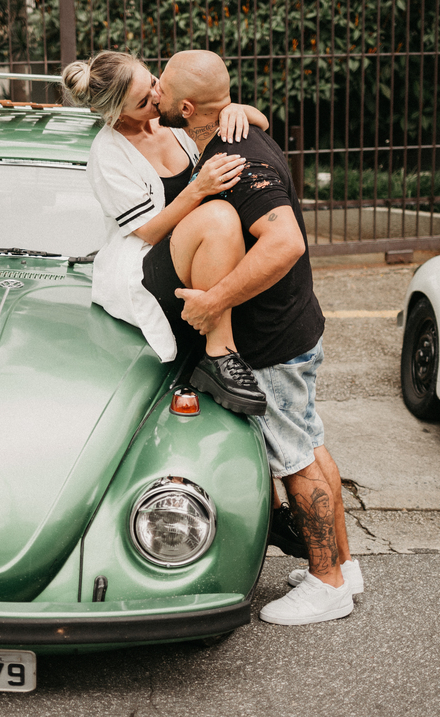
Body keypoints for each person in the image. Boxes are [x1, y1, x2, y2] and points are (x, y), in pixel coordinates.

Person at [155, 50, 364, 625]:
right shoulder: (236, 134)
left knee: (293, 457)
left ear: (188, 107)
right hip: (291, 325)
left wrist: (213, 300)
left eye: (164, 88)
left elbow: (284, 243)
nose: (157, 94)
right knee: (309, 442)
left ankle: (327, 584)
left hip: (272, 340)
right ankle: (342, 562)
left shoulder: (238, 157)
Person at [62, 50, 269, 415]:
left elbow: (260, 124)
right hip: (147, 266)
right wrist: (198, 188)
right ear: (116, 113)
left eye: (153, 83)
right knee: (219, 215)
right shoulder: (107, 154)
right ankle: (219, 356)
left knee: (226, 220)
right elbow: (149, 232)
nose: (157, 97)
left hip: (197, 250)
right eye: (143, 101)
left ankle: (227, 337)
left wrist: (236, 111)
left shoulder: (170, 120)